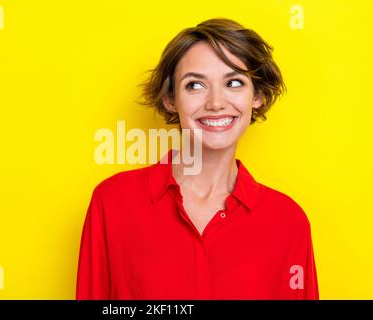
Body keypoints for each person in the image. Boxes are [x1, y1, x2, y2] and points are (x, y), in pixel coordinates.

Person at [76, 18, 319, 300]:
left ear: (258, 96)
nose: (215, 102)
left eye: (234, 82)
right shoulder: (113, 203)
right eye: (195, 86)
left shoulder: (288, 222)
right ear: (171, 99)